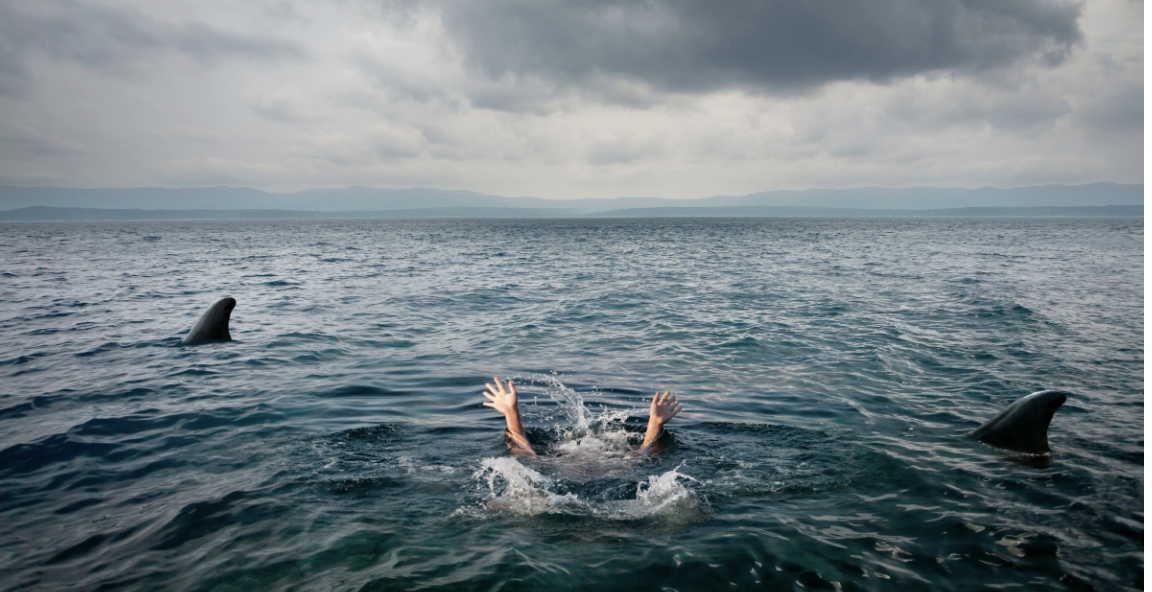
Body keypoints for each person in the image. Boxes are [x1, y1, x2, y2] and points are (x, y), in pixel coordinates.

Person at [482, 377, 682, 456]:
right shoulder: (618, 463)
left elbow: (523, 450)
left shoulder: (554, 463)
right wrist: (654, 423)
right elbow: (646, 450)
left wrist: (511, 413)